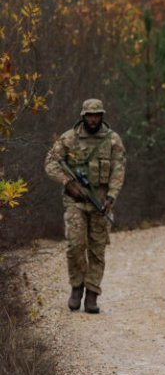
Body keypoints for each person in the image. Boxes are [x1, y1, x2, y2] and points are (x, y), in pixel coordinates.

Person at [45, 98, 126, 314]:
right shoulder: (69, 138)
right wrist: (68, 183)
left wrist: (111, 197)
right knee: (74, 245)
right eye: (89, 115)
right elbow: (51, 163)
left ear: (102, 116)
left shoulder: (112, 140)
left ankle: (92, 293)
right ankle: (76, 287)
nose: (93, 119)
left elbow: (118, 170)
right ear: (83, 116)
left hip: (101, 204)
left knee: (97, 250)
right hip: (75, 202)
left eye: (97, 115)